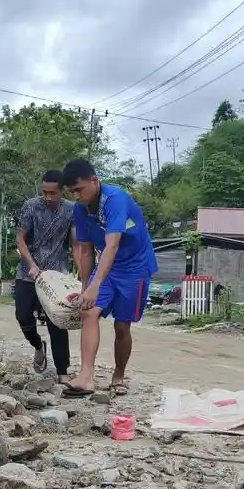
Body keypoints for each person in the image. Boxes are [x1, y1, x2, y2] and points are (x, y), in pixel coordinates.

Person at [62, 158, 158, 397]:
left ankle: (118, 375)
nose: (76, 196)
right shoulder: (80, 208)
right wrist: (86, 288)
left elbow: (112, 245)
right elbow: (84, 250)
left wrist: (95, 287)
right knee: (88, 311)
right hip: (109, 267)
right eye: (72, 192)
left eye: (79, 189)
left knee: (122, 326)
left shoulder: (115, 200)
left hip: (135, 268)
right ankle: (86, 376)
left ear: (94, 181)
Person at [14, 169, 74, 380]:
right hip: (28, 272)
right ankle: (38, 345)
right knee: (22, 316)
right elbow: (20, 239)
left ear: (62, 191)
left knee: (57, 321)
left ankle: (63, 372)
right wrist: (31, 263)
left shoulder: (71, 211)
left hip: (57, 275)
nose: (48, 197)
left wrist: (80, 273)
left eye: (52, 193)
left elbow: (76, 244)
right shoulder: (31, 206)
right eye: (44, 192)